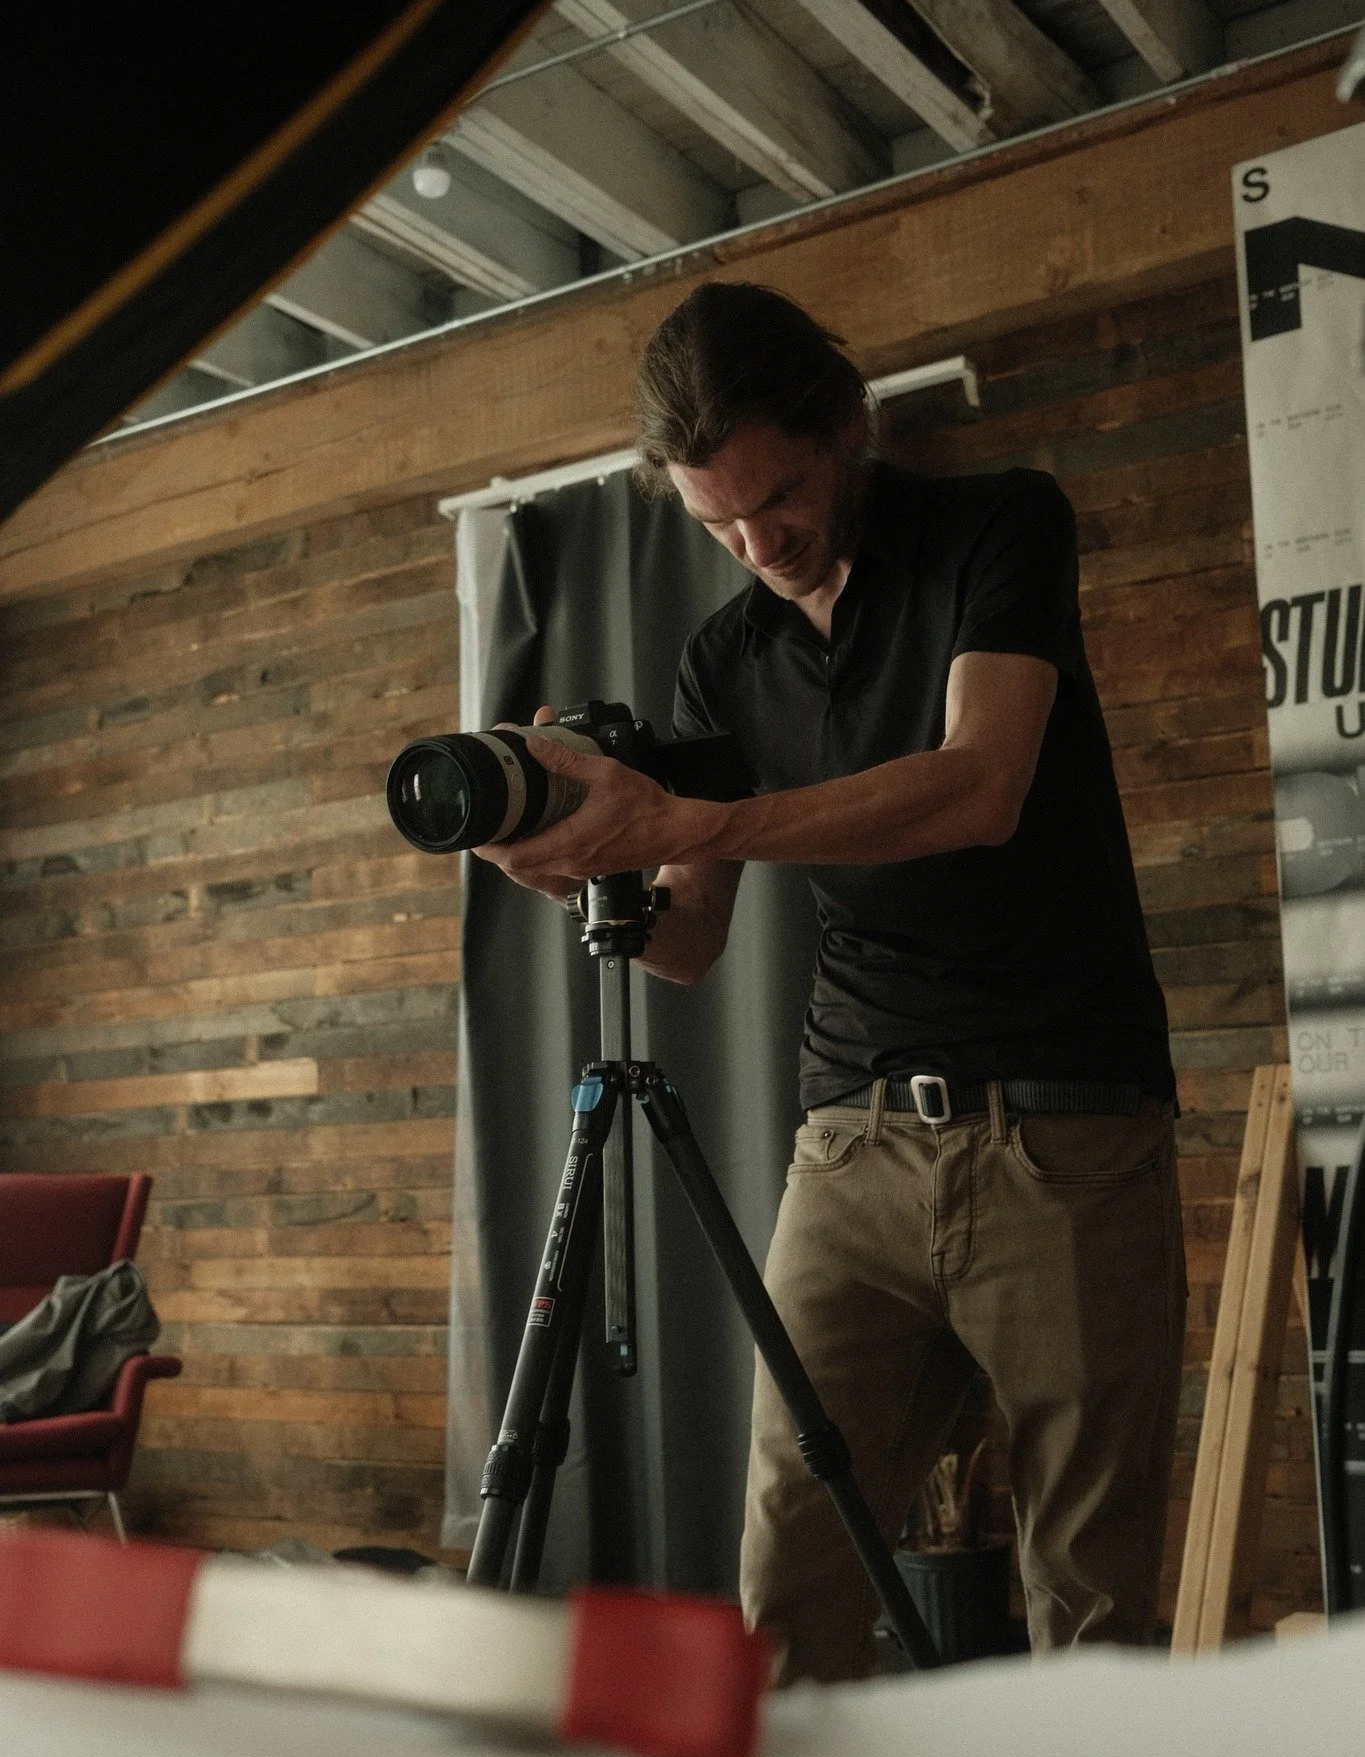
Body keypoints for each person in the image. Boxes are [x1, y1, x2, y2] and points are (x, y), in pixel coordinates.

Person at [477, 281, 1186, 1681]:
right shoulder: (724, 657)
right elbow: (689, 942)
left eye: (780, 498)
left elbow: (981, 784)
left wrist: (696, 817)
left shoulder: (998, 525)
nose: (759, 546)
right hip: (850, 1142)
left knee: (1090, 1608)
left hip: (1062, 1127)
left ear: (846, 425)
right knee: (786, 1587)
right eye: (716, 524)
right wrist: (572, 868)